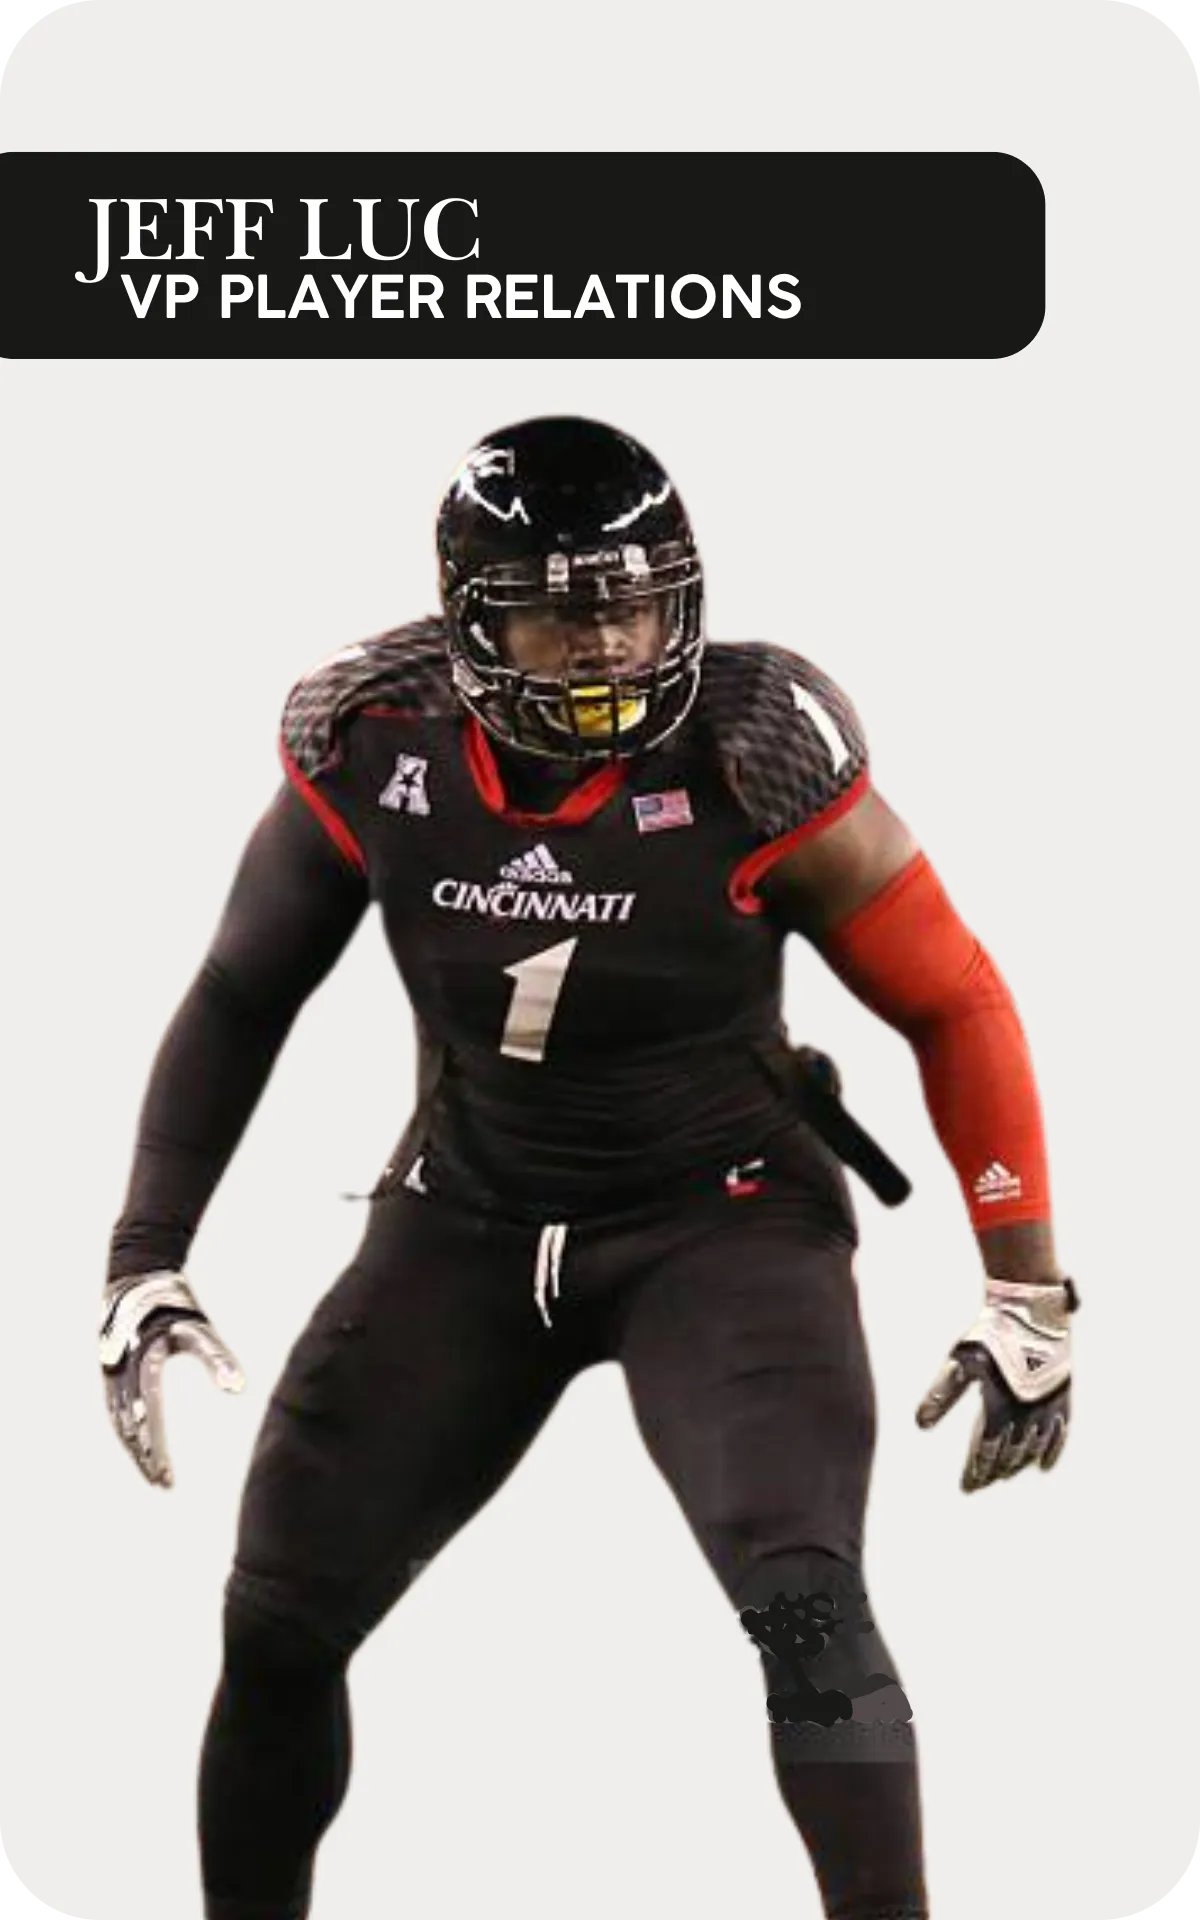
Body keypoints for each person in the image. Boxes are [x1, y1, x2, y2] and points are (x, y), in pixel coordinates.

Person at [100, 416, 1078, 1920]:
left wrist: (1028, 1286)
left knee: (808, 1609)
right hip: (466, 1220)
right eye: (559, 615)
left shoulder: (755, 743)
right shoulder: (374, 733)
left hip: (724, 1221)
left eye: (634, 603)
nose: (608, 642)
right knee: (280, 1621)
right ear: (469, 620)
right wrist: (145, 1252)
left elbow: (953, 997)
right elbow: (242, 990)